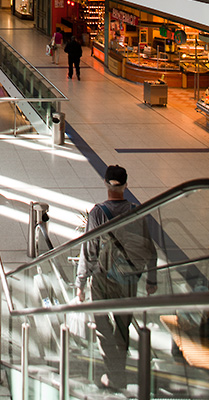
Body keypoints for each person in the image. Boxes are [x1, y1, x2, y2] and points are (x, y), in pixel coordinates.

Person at [76, 164, 157, 392]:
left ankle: (115, 376)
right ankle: (117, 373)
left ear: (105, 183)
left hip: (102, 279)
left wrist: (80, 283)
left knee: (103, 328)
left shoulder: (98, 213)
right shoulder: (136, 211)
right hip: (129, 281)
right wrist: (151, 280)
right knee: (123, 328)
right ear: (126, 186)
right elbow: (150, 249)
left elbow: (89, 250)